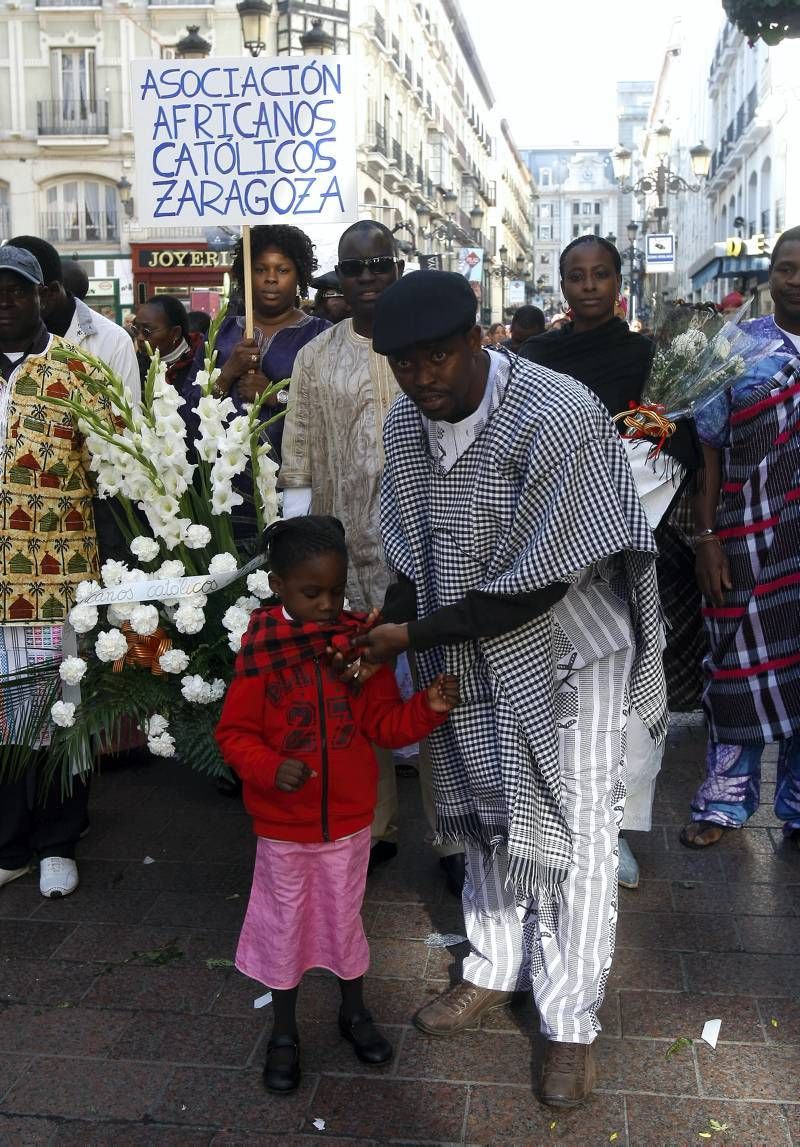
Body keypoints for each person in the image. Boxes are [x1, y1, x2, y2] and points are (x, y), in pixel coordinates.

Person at [356, 269, 666, 1108]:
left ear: (476, 341)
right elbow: (409, 554)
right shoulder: (404, 419)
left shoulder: (555, 412)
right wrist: (379, 634)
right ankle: (494, 967)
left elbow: (538, 585)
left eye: (437, 359)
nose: (422, 379)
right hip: (465, 650)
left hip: (567, 650)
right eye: (403, 364)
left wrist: (409, 635)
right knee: (483, 813)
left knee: (577, 833)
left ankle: (569, 1022)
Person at [215, 516, 458, 1093]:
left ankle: (354, 1012)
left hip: (349, 824)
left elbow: (382, 723)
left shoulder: (355, 643)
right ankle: (283, 1031)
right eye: (311, 592)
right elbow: (234, 734)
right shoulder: (262, 651)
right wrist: (272, 767)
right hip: (284, 827)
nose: (327, 605)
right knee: (283, 927)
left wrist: (427, 706)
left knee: (344, 921)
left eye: (336, 590)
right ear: (277, 585)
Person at [279, 221, 466, 893]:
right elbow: (296, 455)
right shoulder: (315, 357)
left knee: (438, 695)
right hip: (345, 560)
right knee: (357, 692)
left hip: (429, 559)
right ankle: (375, 825)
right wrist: (298, 557)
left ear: (397, 267)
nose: (366, 277)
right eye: (353, 267)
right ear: (338, 275)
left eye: (378, 263)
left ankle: (453, 833)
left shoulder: (426, 352)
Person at [519, 236, 702, 890]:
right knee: (556, 693)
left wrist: (655, 440)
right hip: (549, 552)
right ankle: (561, 825)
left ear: (619, 282)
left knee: (625, 695)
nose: (589, 286)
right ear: (561, 284)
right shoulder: (531, 359)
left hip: (628, 556)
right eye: (576, 276)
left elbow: (687, 446)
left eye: (601, 275)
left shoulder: (649, 358)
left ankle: (620, 830)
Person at [681, 226, 800, 851]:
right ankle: (725, 802)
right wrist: (706, 536)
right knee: (734, 671)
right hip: (747, 540)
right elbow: (708, 447)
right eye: (785, 267)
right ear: (770, 274)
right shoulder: (740, 347)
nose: (796, 278)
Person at [0, 247, 111, 898]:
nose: (4, 302)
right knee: (5, 719)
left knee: (60, 712)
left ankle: (59, 840)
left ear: (41, 295)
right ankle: (11, 842)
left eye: (15, 290)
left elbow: (114, 470)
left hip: (58, 574)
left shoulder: (78, 369)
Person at [181, 225, 329, 469]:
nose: (271, 278)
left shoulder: (321, 334)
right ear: (245, 274)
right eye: (260, 269)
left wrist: (276, 396)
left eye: (283, 270)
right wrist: (227, 374)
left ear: (299, 275)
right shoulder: (221, 333)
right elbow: (188, 410)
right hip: (224, 483)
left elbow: (333, 411)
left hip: (294, 481)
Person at [7, 236, 140, 402]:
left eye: (18, 292)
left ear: (50, 293)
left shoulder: (114, 342)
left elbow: (129, 421)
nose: (6, 303)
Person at [133, 295, 204, 390]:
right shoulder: (137, 362)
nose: (140, 337)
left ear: (175, 333)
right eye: (136, 329)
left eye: (147, 331)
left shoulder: (199, 363)